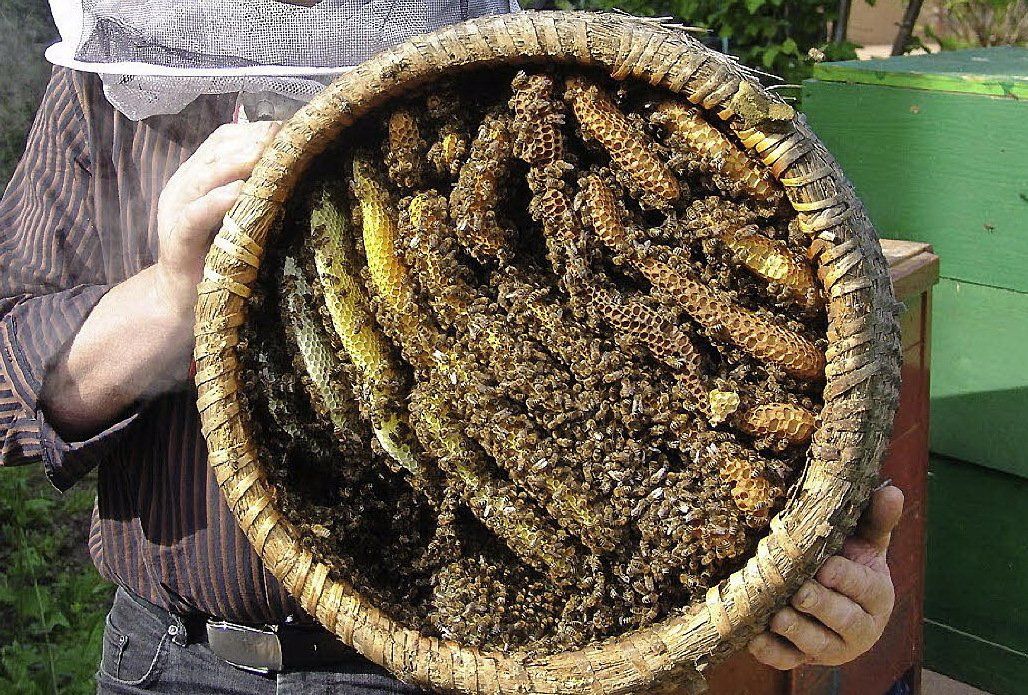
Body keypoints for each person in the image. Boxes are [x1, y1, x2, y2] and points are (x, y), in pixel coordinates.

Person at [0, 4, 903, 693]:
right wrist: (169, 298)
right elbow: (8, 381)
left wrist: (801, 580)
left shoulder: (513, 78)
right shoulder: (110, 85)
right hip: (175, 663)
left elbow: (720, 429)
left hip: (457, 671)